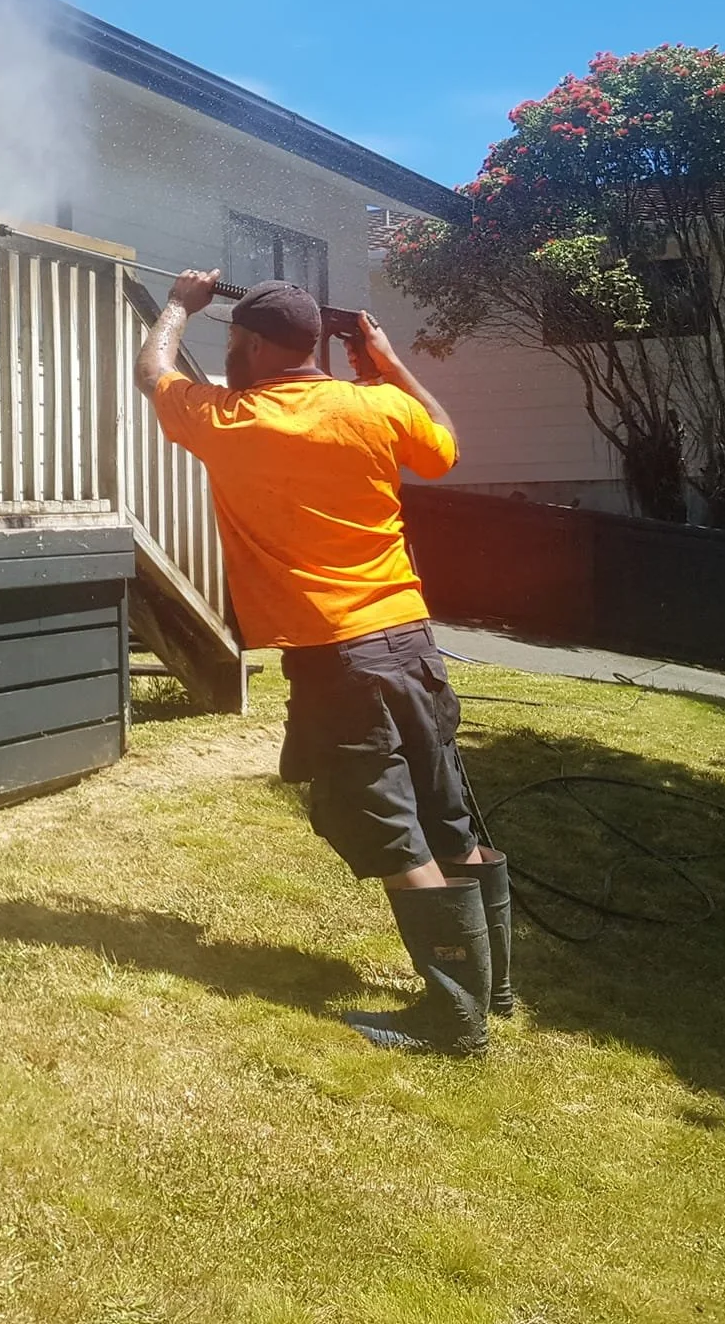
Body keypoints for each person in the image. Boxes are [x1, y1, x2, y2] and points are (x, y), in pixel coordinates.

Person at [133, 271, 513, 1057]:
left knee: (387, 827)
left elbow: (153, 372)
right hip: (411, 643)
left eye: (234, 341)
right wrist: (390, 362)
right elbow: (443, 445)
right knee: (446, 814)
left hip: (340, 661)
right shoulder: (374, 406)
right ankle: (495, 987)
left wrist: (176, 307)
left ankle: (456, 1020)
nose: (228, 353)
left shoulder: (234, 419)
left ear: (254, 345)